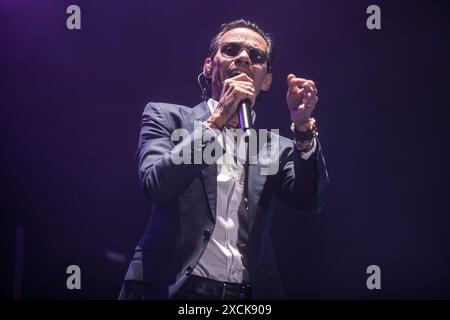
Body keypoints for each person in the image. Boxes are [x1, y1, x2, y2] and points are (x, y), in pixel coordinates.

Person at [119, 19, 328, 300]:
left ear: (266, 80)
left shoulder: (271, 145)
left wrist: (303, 129)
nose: (243, 57)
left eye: (256, 56)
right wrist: (216, 120)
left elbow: (309, 200)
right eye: (231, 49)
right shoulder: (167, 117)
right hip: (175, 289)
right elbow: (157, 186)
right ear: (209, 65)